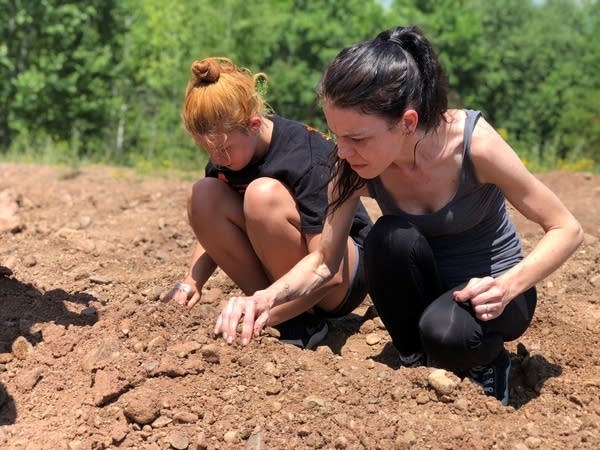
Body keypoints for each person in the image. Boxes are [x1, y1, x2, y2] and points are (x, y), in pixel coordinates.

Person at [214, 26, 583, 405]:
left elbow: (566, 228)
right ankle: (416, 359)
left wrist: (507, 286)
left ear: (407, 122)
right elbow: (324, 261)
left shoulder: (474, 145)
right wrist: (265, 299)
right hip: (427, 289)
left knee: (446, 333)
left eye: (357, 138)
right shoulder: (351, 167)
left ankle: (489, 363)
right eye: (336, 135)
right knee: (386, 237)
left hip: (495, 294)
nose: (342, 151)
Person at [164, 57, 372, 349]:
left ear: (253, 125)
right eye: (207, 150)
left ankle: (287, 319)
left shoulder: (304, 155)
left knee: (262, 196)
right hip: (290, 277)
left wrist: (268, 314)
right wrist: (192, 281)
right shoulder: (227, 157)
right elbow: (211, 226)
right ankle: (290, 320)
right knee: (203, 194)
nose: (217, 159)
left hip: (343, 277)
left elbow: (331, 272)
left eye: (223, 149)